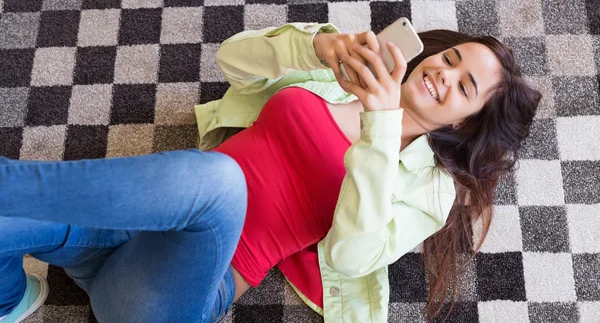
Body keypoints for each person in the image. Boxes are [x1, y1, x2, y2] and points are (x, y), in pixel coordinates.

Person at [0, 22, 541, 323]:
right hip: (117, 225)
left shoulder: (428, 188)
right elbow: (232, 62)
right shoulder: (343, 73)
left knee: (219, 181)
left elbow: (349, 258)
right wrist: (312, 45)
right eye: (451, 60)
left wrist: (380, 124)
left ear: (469, 125)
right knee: (7, 221)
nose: (443, 75)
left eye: (465, 86)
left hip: (170, 293)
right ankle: (13, 299)